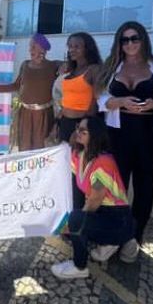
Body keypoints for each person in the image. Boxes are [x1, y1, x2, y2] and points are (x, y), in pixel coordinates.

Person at [96, 21, 153, 244]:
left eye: (134, 38)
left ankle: (134, 239)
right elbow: (99, 98)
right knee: (114, 189)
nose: (129, 44)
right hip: (116, 137)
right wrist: (118, 101)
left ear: (143, 40)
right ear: (119, 43)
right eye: (124, 40)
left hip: (149, 138)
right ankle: (112, 236)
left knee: (145, 190)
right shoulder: (111, 67)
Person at [51, 116, 139, 279]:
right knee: (72, 220)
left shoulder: (104, 162)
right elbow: (61, 169)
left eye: (83, 131)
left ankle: (79, 266)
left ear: (95, 135)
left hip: (117, 217)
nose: (78, 133)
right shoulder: (79, 155)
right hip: (102, 214)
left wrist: (72, 223)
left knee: (76, 220)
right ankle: (121, 242)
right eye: (78, 128)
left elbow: (94, 200)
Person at [0, 33, 59, 151]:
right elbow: (16, 86)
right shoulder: (25, 65)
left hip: (43, 115)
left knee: (40, 149)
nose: (29, 49)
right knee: (24, 147)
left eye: (33, 46)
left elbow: (70, 66)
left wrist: (65, 67)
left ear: (42, 49)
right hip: (25, 114)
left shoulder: (53, 65)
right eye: (30, 46)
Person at [59, 32, 101, 209]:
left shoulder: (94, 69)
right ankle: (69, 213)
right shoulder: (71, 70)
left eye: (77, 46)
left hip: (81, 126)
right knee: (66, 171)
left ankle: (79, 219)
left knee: (79, 173)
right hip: (65, 124)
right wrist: (57, 123)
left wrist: (80, 130)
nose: (72, 49)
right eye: (70, 46)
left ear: (87, 48)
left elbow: (96, 101)